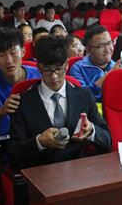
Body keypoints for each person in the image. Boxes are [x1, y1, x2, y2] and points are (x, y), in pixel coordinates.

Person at [8, 36, 111, 167]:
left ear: (66, 65)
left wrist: (91, 131)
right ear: (39, 68)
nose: (54, 77)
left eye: (59, 69)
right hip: (41, 171)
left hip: (79, 169)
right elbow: (14, 151)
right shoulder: (23, 102)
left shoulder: (83, 96)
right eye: (48, 70)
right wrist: (39, 142)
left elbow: (107, 140)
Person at [0, 27, 42, 137]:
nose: (9, 60)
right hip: (6, 138)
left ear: (23, 52)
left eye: (13, 53)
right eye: (2, 55)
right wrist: (2, 111)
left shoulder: (39, 75)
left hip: (39, 135)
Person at [70, 25, 122, 104]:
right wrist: (110, 75)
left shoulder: (119, 67)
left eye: (109, 43)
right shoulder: (78, 68)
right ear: (88, 50)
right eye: (101, 46)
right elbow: (83, 98)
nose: (107, 50)